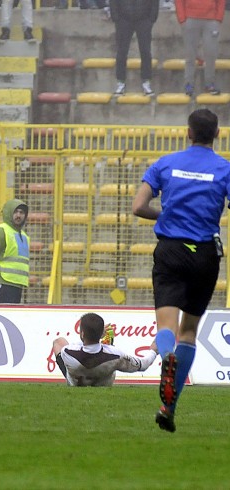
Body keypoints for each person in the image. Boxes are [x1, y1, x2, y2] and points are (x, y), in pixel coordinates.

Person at [132, 108, 230, 432]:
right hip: (205, 253)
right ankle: (168, 408)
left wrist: (166, 216)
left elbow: (138, 206)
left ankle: (166, 356)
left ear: (188, 132)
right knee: (189, 330)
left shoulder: (165, 163)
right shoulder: (224, 168)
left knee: (167, 326)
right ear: (216, 135)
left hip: (171, 249)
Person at [53, 313, 158, 386]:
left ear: (82, 333)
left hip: (76, 382)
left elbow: (80, 346)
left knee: (58, 342)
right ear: (101, 334)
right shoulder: (115, 355)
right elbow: (143, 365)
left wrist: (96, 336)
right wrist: (153, 351)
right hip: (103, 380)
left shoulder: (67, 352)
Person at [0, 199, 30, 304]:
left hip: (17, 285)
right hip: (1, 283)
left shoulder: (24, 236)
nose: (18, 215)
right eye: (15, 212)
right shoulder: (0, 231)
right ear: (9, 213)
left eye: (22, 212)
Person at [110, 0, 160, 96]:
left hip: (144, 19)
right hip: (123, 20)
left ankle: (146, 82)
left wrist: (152, 18)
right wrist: (116, 18)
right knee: (121, 52)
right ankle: (120, 82)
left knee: (145, 51)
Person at [176, 0, 225, 95]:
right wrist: (182, 19)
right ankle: (189, 84)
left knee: (211, 53)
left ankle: (210, 83)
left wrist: (218, 18)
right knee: (190, 54)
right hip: (190, 19)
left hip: (211, 20)